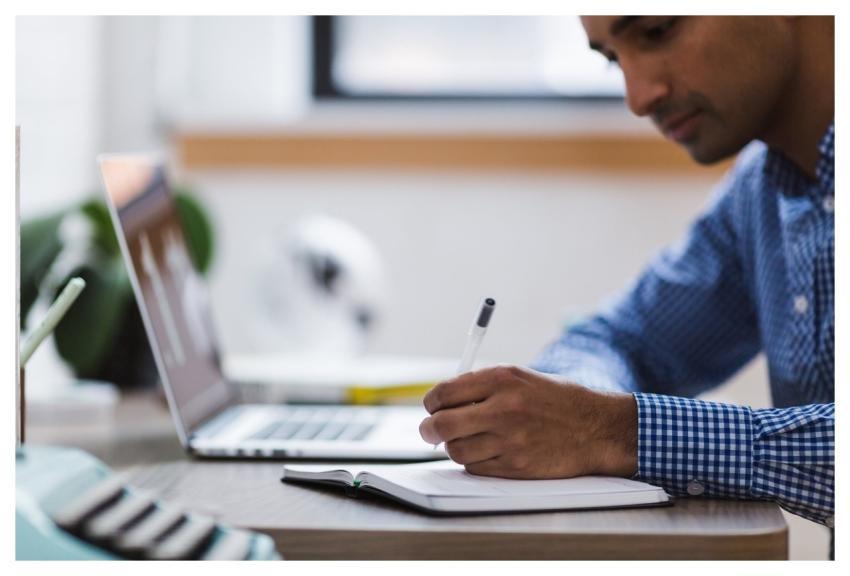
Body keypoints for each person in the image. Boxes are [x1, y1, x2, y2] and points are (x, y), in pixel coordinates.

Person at [418, 16, 834, 532]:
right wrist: (569, 411)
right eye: (613, 59)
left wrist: (614, 431)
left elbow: (609, 420)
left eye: (657, 31)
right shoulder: (761, 189)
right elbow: (623, 340)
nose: (638, 99)